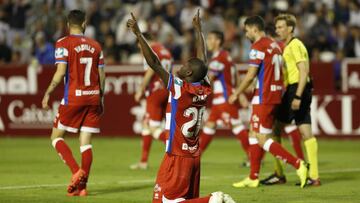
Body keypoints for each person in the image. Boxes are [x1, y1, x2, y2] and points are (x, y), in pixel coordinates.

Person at [127, 10, 235, 203]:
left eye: (185, 65)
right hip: (193, 156)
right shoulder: (204, 86)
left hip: (177, 156)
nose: (181, 65)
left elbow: (154, 63)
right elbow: (203, 61)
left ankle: (213, 200)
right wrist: (199, 31)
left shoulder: (179, 88)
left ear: (189, 72)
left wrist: (138, 34)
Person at [228, 15, 308, 188]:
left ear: (254, 29)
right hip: (274, 95)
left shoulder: (258, 46)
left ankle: (298, 164)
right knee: (252, 134)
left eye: (247, 30)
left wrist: (236, 92)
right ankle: (253, 176)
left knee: (262, 138)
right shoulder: (275, 45)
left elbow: (250, 75)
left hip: (264, 97)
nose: (246, 33)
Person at [41, 9, 105, 196]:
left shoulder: (63, 43)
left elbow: (61, 72)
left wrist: (47, 93)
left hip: (74, 98)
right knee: (85, 143)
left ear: (68, 25)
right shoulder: (96, 46)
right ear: (84, 24)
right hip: (93, 97)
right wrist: (101, 99)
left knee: (56, 137)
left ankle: (76, 171)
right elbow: (102, 75)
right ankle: (82, 188)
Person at [260, 14, 320, 186]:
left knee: (279, 130)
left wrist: (298, 95)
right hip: (295, 89)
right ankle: (311, 176)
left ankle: (286, 174)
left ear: (290, 28)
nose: (278, 30)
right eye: (277, 27)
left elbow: (304, 71)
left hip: (297, 89)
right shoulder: (287, 46)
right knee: (287, 129)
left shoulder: (295, 45)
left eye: (281, 27)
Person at [198, 30, 250, 162]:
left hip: (225, 98)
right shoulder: (226, 55)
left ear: (218, 41)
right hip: (221, 99)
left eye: (211, 39)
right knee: (210, 126)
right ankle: (196, 156)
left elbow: (210, 78)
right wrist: (241, 93)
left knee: (236, 125)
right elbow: (236, 75)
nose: (208, 42)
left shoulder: (218, 58)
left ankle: (253, 156)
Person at [130, 32, 173, 170]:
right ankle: (143, 161)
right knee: (146, 125)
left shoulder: (149, 50)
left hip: (155, 91)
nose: (140, 48)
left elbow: (150, 69)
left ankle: (175, 146)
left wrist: (140, 89)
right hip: (167, 89)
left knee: (152, 127)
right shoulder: (166, 50)